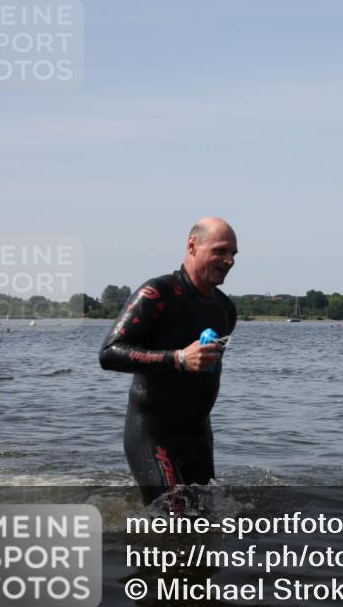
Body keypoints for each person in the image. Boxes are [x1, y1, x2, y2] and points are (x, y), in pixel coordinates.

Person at [99, 217, 238, 506]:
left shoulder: (225, 309)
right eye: (220, 251)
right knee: (174, 519)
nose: (229, 260)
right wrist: (178, 358)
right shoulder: (156, 294)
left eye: (233, 253)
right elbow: (109, 353)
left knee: (207, 520)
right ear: (193, 245)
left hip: (198, 435)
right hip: (153, 432)